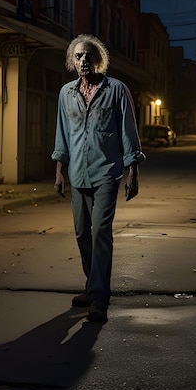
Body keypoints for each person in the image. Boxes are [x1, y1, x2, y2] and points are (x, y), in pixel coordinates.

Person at [52, 34, 145, 323]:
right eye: (78, 56)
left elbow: (129, 131)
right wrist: (59, 169)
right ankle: (91, 287)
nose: (84, 60)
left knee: (100, 232)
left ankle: (100, 298)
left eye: (89, 55)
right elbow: (62, 134)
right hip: (77, 172)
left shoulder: (116, 90)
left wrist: (133, 171)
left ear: (99, 59)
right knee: (82, 233)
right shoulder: (66, 93)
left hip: (107, 172)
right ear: (72, 61)